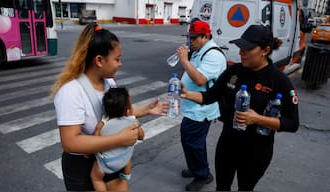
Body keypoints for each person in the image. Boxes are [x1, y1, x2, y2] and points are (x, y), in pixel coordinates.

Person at [180, 25, 299, 191]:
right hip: (227, 144)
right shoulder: (234, 71)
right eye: (240, 47)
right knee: (222, 187)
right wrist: (187, 94)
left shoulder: (279, 81)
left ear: (265, 50)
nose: (241, 52)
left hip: (256, 151)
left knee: (245, 188)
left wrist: (258, 119)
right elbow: (210, 96)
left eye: (248, 48)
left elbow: (292, 123)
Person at [51, 23, 168, 191]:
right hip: (83, 166)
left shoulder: (109, 83)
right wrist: (120, 139)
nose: (120, 64)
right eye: (117, 59)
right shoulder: (71, 91)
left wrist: (147, 109)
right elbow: (70, 142)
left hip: (110, 156)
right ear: (99, 60)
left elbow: (114, 115)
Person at [176, 19, 227, 191]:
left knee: (193, 141)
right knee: (191, 140)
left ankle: (203, 175)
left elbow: (199, 80)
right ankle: (196, 167)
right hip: (192, 105)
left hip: (201, 108)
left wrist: (184, 60)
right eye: (189, 37)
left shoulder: (214, 55)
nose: (190, 41)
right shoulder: (199, 50)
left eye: (194, 37)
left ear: (205, 36)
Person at [90, 87, 144, 191]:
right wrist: (138, 128)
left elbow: (95, 138)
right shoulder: (131, 121)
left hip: (106, 163)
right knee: (127, 156)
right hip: (123, 160)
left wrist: (89, 151)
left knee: (95, 178)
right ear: (126, 108)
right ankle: (127, 174)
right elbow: (141, 136)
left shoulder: (103, 122)